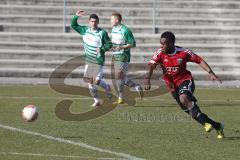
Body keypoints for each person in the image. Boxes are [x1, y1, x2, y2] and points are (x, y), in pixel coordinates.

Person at [144, 31, 224, 139]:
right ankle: (217, 126)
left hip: (185, 80)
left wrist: (210, 73)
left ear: (171, 43)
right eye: (160, 43)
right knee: (189, 110)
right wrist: (147, 79)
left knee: (184, 99)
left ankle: (206, 124)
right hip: (172, 86)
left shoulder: (184, 52)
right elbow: (151, 65)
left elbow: (199, 60)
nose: (161, 46)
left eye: (164, 44)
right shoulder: (159, 53)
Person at [71, 10, 113, 107]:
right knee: (89, 82)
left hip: (98, 60)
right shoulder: (84, 30)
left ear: (98, 22)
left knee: (97, 81)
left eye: (95, 21)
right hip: (89, 61)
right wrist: (76, 17)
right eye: (92, 21)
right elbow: (74, 25)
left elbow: (109, 44)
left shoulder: (102, 33)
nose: (93, 23)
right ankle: (97, 100)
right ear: (89, 22)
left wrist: (102, 49)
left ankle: (107, 87)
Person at [110, 12, 143, 104]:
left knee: (118, 76)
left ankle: (122, 97)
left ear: (117, 20)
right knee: (119, 77)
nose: (110, 21)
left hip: (123, 56)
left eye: (112, 19)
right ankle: (134, 87)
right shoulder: (113, 29)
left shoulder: (125, 30)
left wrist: (121, 47)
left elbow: (133, 43)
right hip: (115, 55)